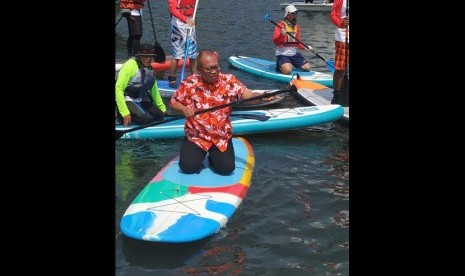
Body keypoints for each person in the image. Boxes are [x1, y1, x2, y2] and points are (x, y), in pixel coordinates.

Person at [169, 50, 275, 175]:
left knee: (226, 169)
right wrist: (184, 109)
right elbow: (173, 103)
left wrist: (261, 97)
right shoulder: (189, 84)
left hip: (220, 136)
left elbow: (248, 95)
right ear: (199, 69)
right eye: (209, 69)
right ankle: (196, 156)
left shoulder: (229, 81)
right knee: (188, 168)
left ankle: (212, 158)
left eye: (216, 67)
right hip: (196, 136)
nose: (214, 72)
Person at [116, 43, 167, 127]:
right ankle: (120, 116)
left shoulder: (150, 70)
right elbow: (118, 89)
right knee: (147, 120)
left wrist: (162, 108)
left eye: (151, 56)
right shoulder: (130, 66)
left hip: (138, 100)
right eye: (145, 56)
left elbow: (154, 91)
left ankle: (137, 113)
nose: (148, 59)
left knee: (160, 116)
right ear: (138, 56)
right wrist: (124, 113)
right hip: (126, 100)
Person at [273, 4, 313, 75]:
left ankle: (290, 63)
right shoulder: (280, 25)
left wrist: (305, 47)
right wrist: (281, 35)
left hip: (293, 54)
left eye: (296, 13)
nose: (295, 15)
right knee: (287, 70)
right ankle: (280, 66)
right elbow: (275, 41)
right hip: (283, 54)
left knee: (308, 68)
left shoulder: (296, 26)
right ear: (287, 14)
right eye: (292, 13)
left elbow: (298, 42)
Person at [167, 0, 199, 88]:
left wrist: (190, 19)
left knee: (193, 54)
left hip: (190, 24)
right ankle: (172, 78)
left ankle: (195, 78)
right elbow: (173, 10)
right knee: (177, 54)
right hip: (178, 25)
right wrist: (185, 19)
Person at [329, 0, 349, 104]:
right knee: (340, 68)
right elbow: (333, 15)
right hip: (343, 37)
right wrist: (341, 22)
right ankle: (337, 94)